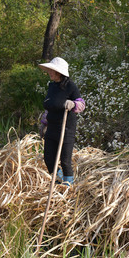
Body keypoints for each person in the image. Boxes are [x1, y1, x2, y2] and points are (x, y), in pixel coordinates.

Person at [39, 57, 85, 185]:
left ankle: (68, 186)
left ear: (59, 72)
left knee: (65, 160)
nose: (49, 72)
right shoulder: (52, 86)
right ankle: (58, 180)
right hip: (52, 128)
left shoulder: (70, 86)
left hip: (66, 129)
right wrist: (43, 123)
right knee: (49, 159)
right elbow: (50, 106)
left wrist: (73, 104)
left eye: (51, 70)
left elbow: (81, 104)